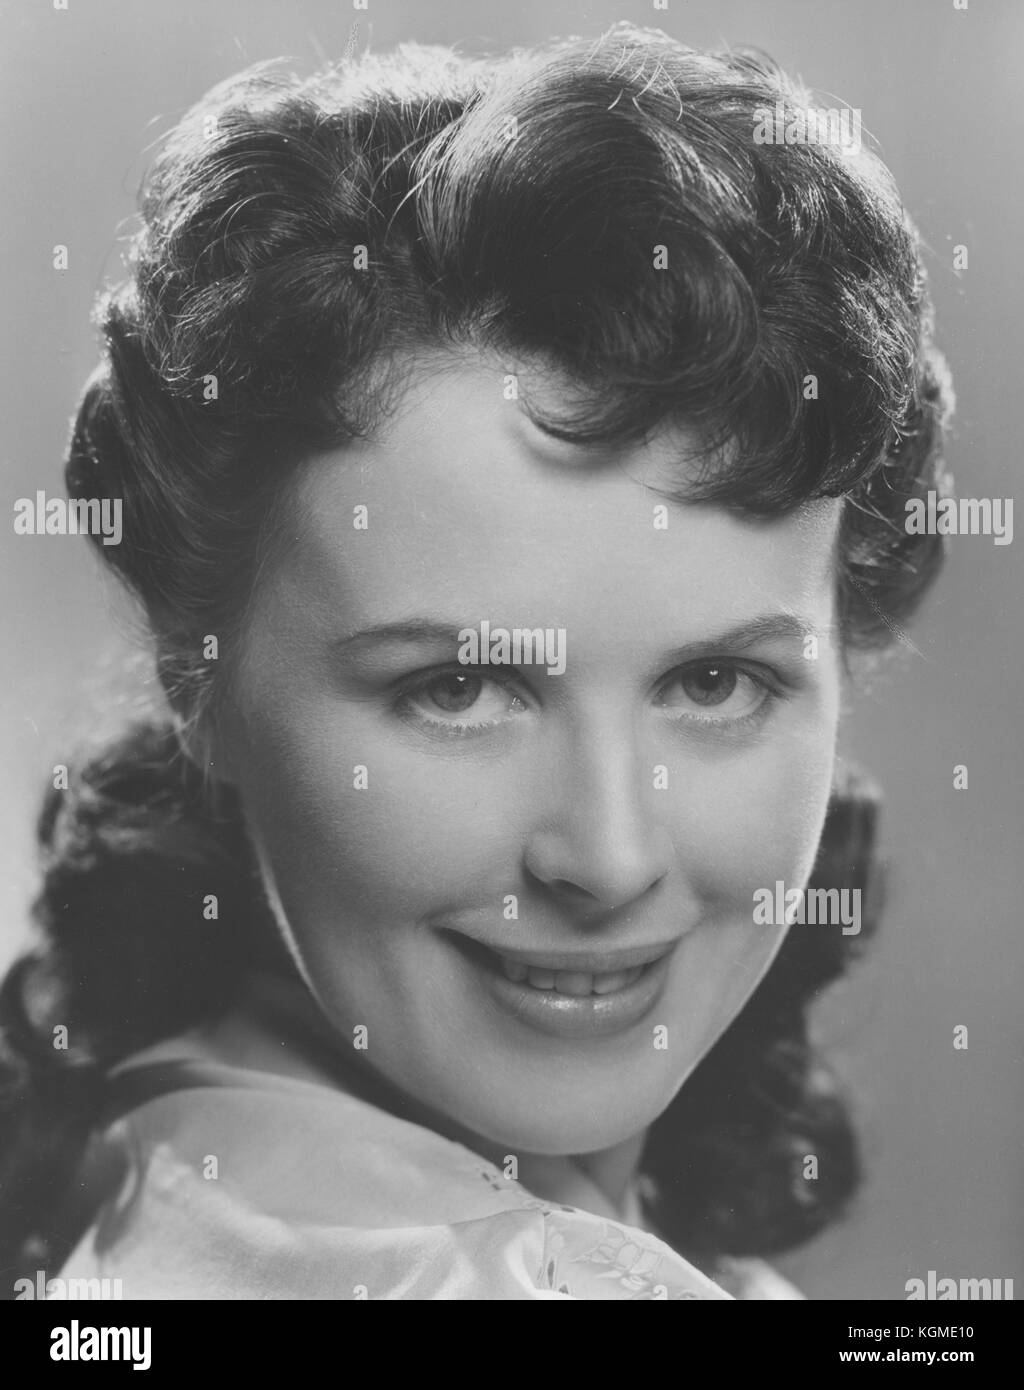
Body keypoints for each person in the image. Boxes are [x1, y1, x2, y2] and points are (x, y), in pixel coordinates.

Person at [0, 23, 953, 1300]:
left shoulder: (150, 1154)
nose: (608, 857)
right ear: (199, 678)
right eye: (458, 689)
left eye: (713, 684)